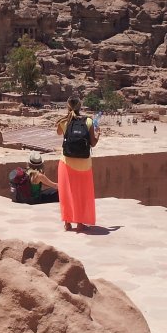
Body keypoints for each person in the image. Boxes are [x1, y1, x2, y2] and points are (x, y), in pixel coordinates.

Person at [56, 95, 99, 231]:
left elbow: (59, 133)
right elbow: (93, 143)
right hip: (84, 164)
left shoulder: (63, 122)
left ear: (68, 106)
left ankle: (67, 223)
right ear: (80, 107)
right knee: (82, 194)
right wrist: (98, 135)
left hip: (66, 162)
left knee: (66, 193)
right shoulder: (88, 122)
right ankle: (80, 223)